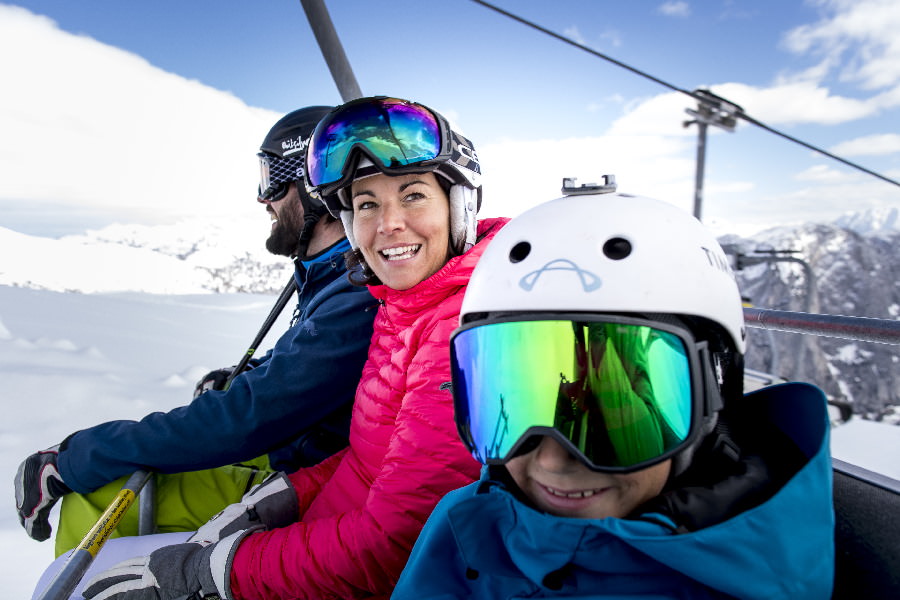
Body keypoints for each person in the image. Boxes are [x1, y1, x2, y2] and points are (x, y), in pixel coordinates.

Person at [74, 96, 508, 600]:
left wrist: (212, 575)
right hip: (319, 538)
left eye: (413, 195)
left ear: (458, 204)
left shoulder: (461, 330)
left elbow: (395, 542)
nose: (388, 223)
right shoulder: (399, 306)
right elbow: (366, 462)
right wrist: (285, 498)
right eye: (366, 203)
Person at [392, 193, 835, 599]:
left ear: (710, 399)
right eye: (518, 398)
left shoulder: (754, 580)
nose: (552, 460)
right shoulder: (466, 520)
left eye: (610, 408)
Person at [15, 106, 378, 557]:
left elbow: (247, 418)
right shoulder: (332, 275)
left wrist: (76, 458)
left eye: (271, 179)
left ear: (312, 185)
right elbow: (302, 367)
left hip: (309, 480)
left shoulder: (358, 293)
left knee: (92, 498)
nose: (263, 199)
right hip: (300, 449)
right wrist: (249, 377)